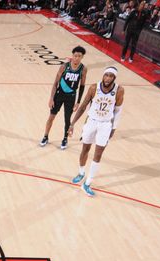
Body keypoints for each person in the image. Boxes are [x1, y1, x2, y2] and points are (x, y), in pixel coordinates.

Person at [68, 67, 125, 197]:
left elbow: (118, 111)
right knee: (85, 149)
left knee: (98, 154)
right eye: (106, 75)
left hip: (105, 125)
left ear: (114, 78)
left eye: (111, 76)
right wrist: (72, 123)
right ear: (103, 75)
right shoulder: (94, 88)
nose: (108, 78)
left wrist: (113, 128)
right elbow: (83, 106)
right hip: (91, 121)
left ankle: (87, 183)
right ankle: (81, 172)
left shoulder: (119, 90)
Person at [39, 46, 87, 150]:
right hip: (59, 94)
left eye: (79, 56)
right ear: (72, 56)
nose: (77, 58)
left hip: (71, 97)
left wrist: (78, 102)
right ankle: (45, 136)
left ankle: (65, 139)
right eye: (75, 56)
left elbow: (82, 86)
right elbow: (56, 82)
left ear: (82, 57)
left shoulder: (83, 69)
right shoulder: (64, 66)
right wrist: (51, 98)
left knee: (67, 119)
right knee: (51, 116)